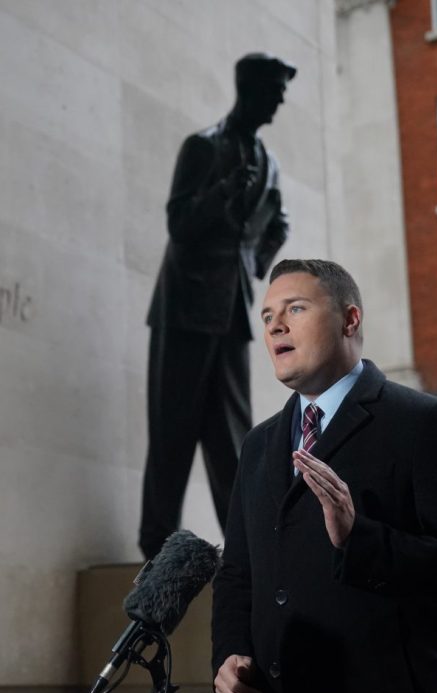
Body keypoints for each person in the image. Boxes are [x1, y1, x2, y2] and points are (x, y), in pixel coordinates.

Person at [211, 259, 437, 693]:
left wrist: (361, 539)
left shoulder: (424, 424)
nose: (277, 327)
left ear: (350, 320)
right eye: (267, 317)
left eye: (296, 309)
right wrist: (228, 657)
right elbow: (237, 576)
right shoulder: (258, 445)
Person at [139, 53, 295, 560]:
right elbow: (179, 223)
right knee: (173, 432)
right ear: (250, 90)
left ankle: (247, 552)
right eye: (275, 90)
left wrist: (269, 239)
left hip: (232, 314)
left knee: (233, 440)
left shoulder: (268, 161)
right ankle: (155, 546)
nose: (280, 101)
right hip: (185, 308)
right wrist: (226, 193)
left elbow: (267, 231)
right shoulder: (203, 148)